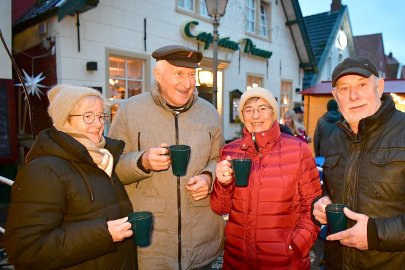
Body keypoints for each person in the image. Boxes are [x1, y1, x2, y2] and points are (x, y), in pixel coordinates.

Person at [108, 45, 225, 270]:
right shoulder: (130, 110)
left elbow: (219, 158)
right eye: (179, 73)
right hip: (151, 243)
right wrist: (143, 162)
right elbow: (111, 169)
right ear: (158, 75)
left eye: (191, 74)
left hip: (201, 240)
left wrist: (209, 178)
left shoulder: (209, 112)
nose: (188, 82)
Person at [4, 85, 137, 269]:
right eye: (88, 116)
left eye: (100, 116)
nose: (99, 124)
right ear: (65, 121)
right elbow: (25, 250)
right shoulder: (45, 170)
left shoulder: (102, 159)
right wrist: (103, 234)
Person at [210, 87, 322, 269]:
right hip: (237, 260)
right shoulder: (230, 151)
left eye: (262, 108)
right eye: (248, 110)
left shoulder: (298, 150)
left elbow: (312, 207)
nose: (255, 116)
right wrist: (222, 184)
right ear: (242, 115)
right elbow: (220, 208)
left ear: (273, 113)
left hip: (284, 262)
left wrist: (295, 246)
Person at [312, 56, 405, 269]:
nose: (353, 96)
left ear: (379, 87)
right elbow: (330, 189)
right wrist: (319, 204)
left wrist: (375, 234)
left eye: (362, 85)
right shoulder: (333, 138)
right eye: (344, 88)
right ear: (335, 95)